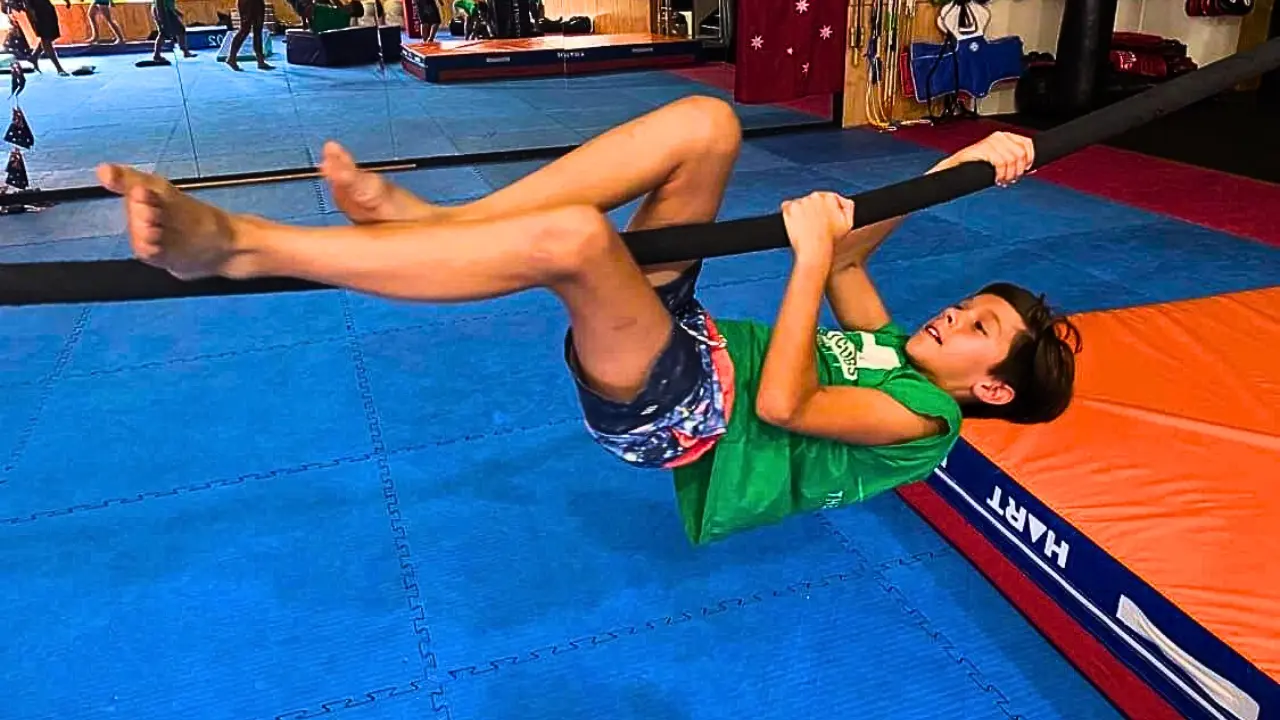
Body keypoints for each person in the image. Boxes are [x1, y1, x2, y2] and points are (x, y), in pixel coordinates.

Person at [95, 96, 1080, 545]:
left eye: (980, 328)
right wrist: (964, 171)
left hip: (676, 411)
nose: (956, 312)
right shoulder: (887, 347)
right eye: (971, 304)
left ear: (988, 387)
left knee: (572, 241)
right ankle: (443, 224)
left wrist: (810, 258)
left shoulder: (921, 423)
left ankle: (243, 244)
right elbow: (858, 249)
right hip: (689, 346)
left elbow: (781, 405)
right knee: (703, 126)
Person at [224, 0, 271, 71]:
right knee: (245, 29)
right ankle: (231, 58)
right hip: (246, 2)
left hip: (257, 2)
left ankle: (260, 61)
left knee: (258, 29)